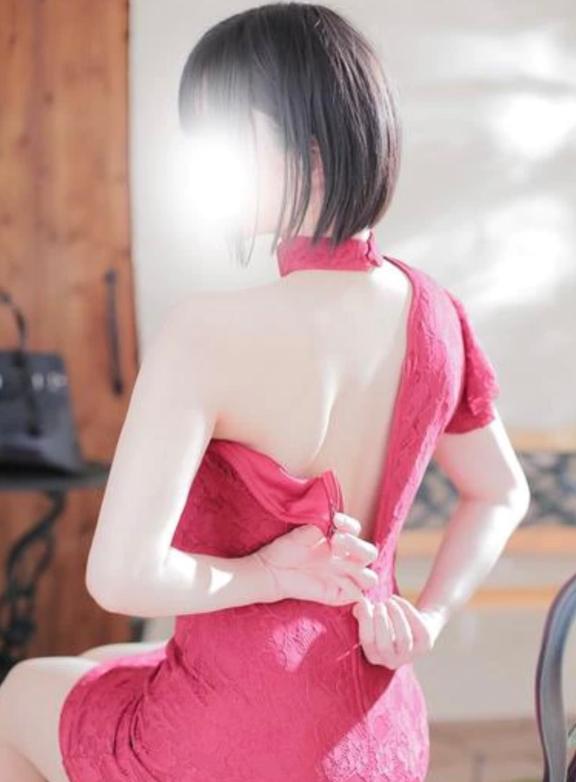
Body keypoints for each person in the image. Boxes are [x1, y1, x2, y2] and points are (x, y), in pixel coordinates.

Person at [0, 3, 531, 781]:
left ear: (310, 150)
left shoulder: (206, 331)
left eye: (220, 136)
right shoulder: (438, 315)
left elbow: (120, 577)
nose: (203, 162)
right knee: (109, 662)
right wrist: (430, 617)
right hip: (376, 730)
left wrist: (271, 575)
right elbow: (501, 492)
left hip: (236, 735)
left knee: (18, 693)